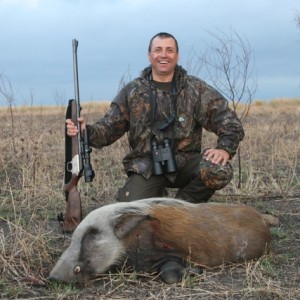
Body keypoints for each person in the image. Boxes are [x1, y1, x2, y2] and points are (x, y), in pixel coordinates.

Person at [66, 32, 245, 203]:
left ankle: (181, 208)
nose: (163, 55)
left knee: (218, 170)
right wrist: (86, 130)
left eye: (169, 50)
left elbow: (229, 121)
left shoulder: (195, 88)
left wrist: (224, 149)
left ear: (177, 55)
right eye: (158, 50)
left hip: (185, 163)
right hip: (147, 166)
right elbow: (108, 129)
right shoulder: (133, 91)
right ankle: (153, 195)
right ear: (149, 55)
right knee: (130, 211)